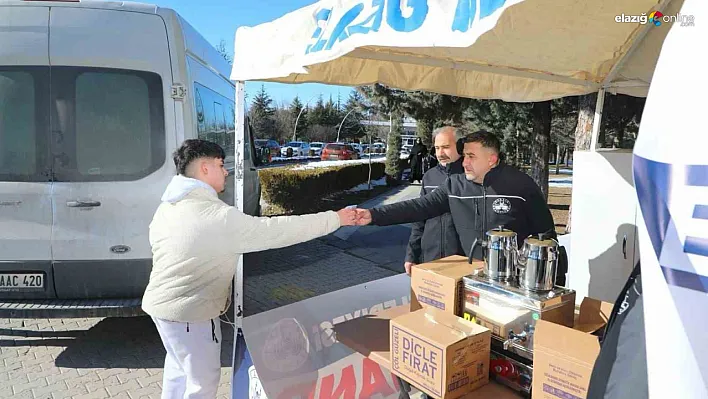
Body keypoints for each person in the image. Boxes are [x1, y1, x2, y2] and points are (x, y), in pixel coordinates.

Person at [142, 139, 357, 399]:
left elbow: (155, 240)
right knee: (202, 383)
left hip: (162, 309)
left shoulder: (168, 206)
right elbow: (280, 231)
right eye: (221, 165)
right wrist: (336, 218)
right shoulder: (216, 217)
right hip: (191, 314)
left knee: (178, 371)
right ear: (204, 168)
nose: (226, 171)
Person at [356, 130, 566, 285]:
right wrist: (373, 215)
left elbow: (545, 235)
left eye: (471, 156)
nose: (464, 162)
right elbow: (419, 207)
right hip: (469, 280)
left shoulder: (521, 185)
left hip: (513, 284)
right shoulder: (454, 185)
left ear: (492, 159)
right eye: (464, 155)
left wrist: (551, 280)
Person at [404, 126, 465, 275]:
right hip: (430, 257)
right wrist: (411, 254)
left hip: (463, 259)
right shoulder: (429, 177)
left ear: (460, 146)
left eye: (445, 147)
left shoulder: (471, 176)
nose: (440, 153)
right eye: (437, 148)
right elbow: (419, 219)